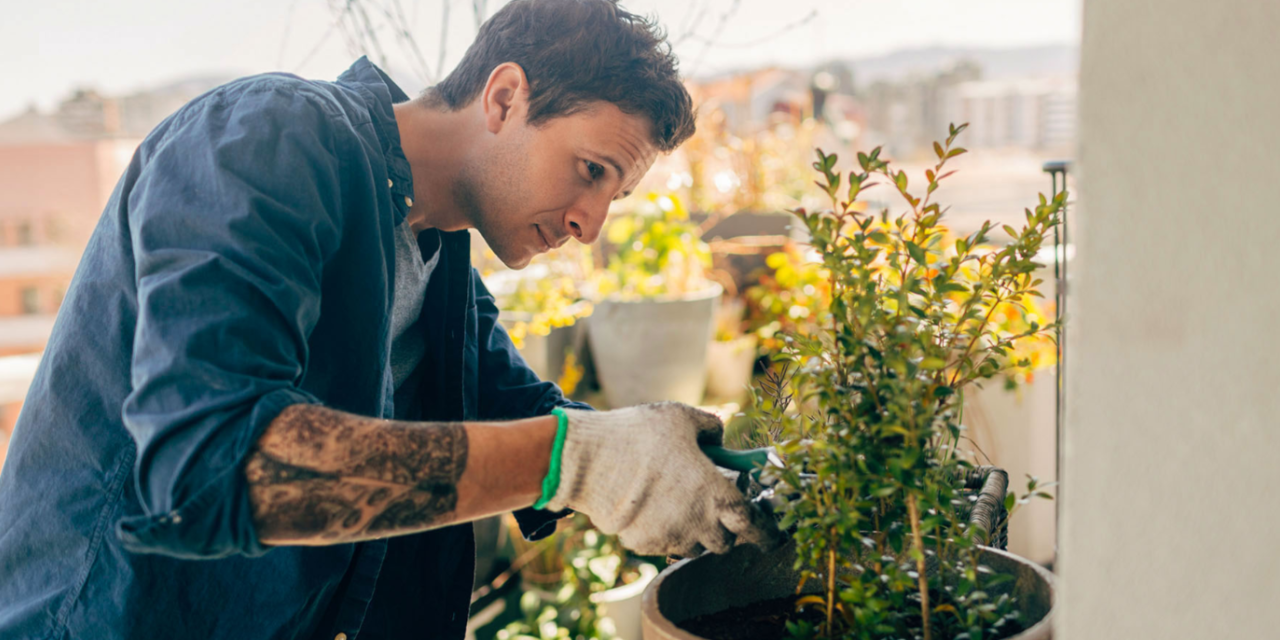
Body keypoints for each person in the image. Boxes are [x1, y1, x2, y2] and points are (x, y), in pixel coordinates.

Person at [0, 0, 781, 638]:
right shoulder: (269, 139)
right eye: (591, 172)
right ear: (505, 97)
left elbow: (522, 414)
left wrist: (708, 469)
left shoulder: (437, 255)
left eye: (615, 197)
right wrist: (576, 461)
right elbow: (211, 466)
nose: (591, 224)